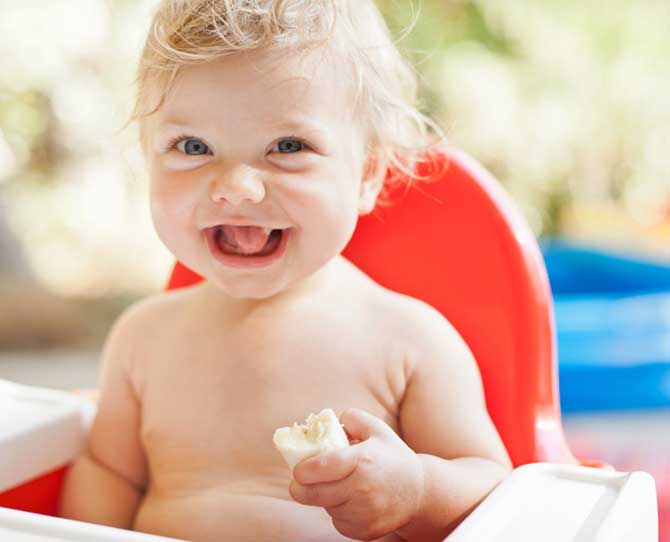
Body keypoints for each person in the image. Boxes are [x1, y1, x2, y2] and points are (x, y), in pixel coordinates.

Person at [59, 1, 512, 541]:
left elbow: (494, 491)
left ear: (367, 173)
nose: (236, 186)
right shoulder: (142, 339)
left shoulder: (408, 341)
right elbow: (107, 475)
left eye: (288, 147)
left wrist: (415, 491)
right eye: (193, 147)